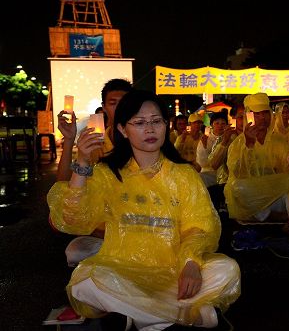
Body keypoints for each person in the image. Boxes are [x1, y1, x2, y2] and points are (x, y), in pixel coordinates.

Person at [47, 90, 241, 330]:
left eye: (156, 121)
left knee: (227, 270)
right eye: (139, 123)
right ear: (122, 130)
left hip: (175, 270)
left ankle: (137, 315)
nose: (150, 129)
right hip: (122, 269)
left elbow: (201, 226)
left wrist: (191, 263)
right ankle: (190, 315)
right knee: (84, 282)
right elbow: (73, 217)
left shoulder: (184, 175)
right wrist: (83, 163)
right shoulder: (109, 174)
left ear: (165, 125)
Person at [54, 78, 133, 267]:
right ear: (104, 108)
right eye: (113, 103)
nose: (120, 108)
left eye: (125, 103)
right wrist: (69, 140)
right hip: (106, 225)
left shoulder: (143, 138)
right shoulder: (95, 141)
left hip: (138, 218)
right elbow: (63, 184)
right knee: (74, 251)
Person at [224, 92, 289, 223]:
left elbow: (288, 169)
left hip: (273, 193)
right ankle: (269, 216)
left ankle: (287, 217)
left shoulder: (279, 141)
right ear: (248, 116)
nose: (262, 118)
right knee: (237, 188)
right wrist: (248, 146)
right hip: (251, 195)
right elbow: (236, 172)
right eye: (257, 113)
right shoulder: (238, 143)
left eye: (265, 113)